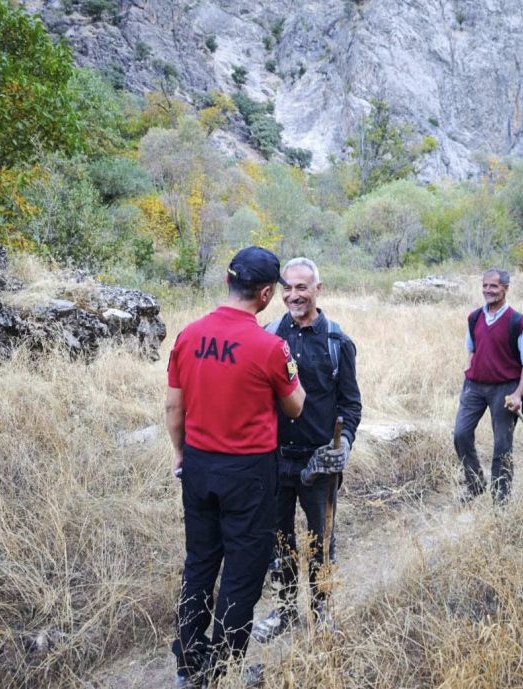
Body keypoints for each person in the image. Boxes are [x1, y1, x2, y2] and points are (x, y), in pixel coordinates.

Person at [166, 246, 306, 688]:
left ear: (228, 282)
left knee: (200, 562)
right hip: (248, 473)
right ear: (265, 294)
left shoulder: (188, 335)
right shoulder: (271, 346)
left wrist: (181, 453)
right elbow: (296, 407)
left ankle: (189, 664)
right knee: (243, 571)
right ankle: (224, 669)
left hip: (199, 466)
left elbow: (174, 407)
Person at [252, 257, 362, 643]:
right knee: (278, 542)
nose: (293, 295)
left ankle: (321, 613)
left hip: (320, 462)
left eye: (302, 287)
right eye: (288, 288)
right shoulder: (266, 336)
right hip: (275, 459)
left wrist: (344, 444)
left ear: (318, 289)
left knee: (320, 543)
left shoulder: (337, 342)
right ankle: (283, 611)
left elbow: (350, 405)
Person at [453, 268, 523, 504]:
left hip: (505, 389)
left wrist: (518, 394)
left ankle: (501, 498)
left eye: (494, 286)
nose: (488, 290)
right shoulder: (474, 318)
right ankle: (475, 484)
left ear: (505, 289)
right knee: (460, 434)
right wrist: (472, 371)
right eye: (485, 285)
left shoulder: (517, 322)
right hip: (474, 387)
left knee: (502, 444)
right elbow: (472, 349)